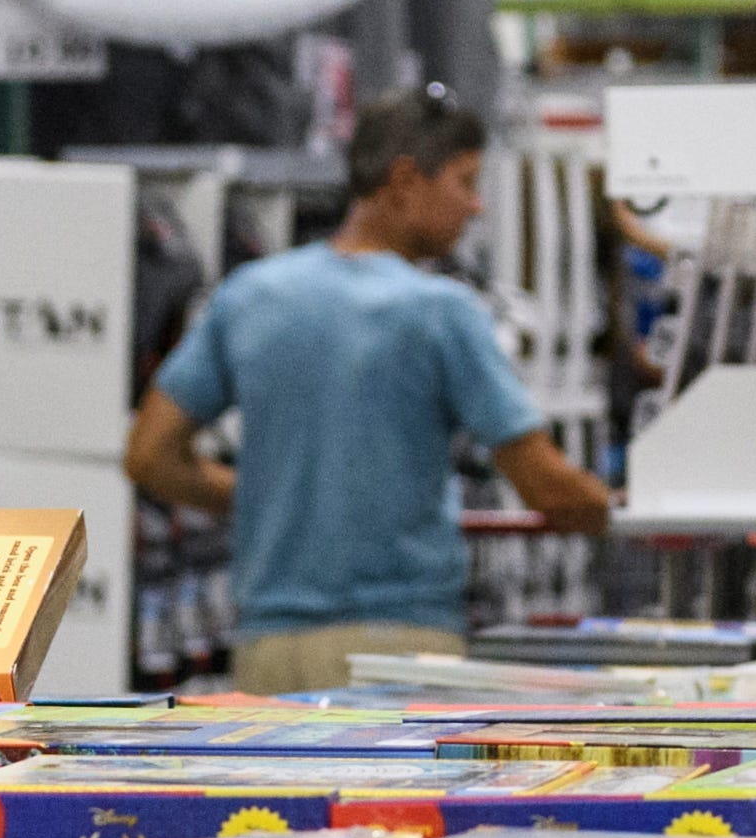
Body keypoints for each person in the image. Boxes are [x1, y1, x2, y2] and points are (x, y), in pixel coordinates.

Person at [121, 87, 612, 693]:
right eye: (464, 182)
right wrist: (616, 508)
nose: (477, 206)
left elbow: (148, 456)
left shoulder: (250, 295)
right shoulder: (442, 311)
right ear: (404, 181)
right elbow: (546, 486)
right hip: (400, 650)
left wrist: (266, 498)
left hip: (266, 651)